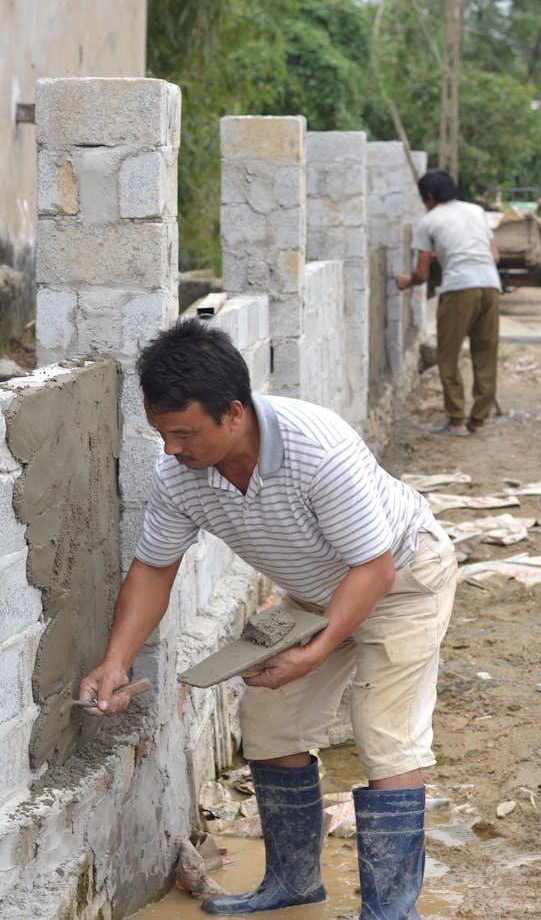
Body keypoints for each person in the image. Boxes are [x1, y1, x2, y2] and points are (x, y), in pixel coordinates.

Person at [80, 318, 458, 919]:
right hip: (314, 595)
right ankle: (292, 880)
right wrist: (115, 661)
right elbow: (154, 569)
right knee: (270, 720)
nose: (172, 449)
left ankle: (389, 911)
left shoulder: (317, 449)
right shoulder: (179, 474)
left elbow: (374, 568)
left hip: (402, 581)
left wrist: (318, 648)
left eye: (184, 432)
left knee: (385, 735)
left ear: (233, 413)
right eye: (162, 433)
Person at [397, 168, 501, 437]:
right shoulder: (476, 211)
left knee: (448, 355)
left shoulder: (428, 222)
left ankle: (456, 420)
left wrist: (405, 281)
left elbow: (422, 274)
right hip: (490, 285)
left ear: (429, 197)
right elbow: (495, 255)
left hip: (459, 289)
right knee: (485, 354)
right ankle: (478, 420)